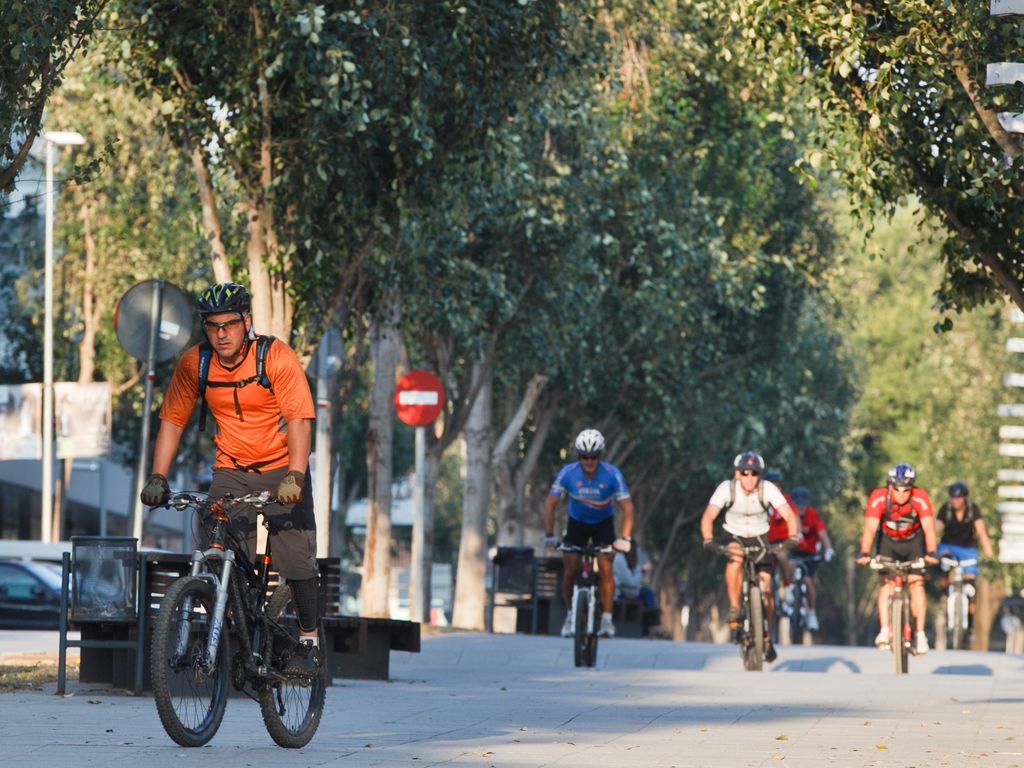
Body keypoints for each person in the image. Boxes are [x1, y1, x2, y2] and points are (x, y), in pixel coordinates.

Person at [139, 282, 320, 674]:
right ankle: (231, 616)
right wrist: (158, 476)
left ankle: (309, 641)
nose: (221, 334)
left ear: (246, 323)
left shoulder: (275, 358)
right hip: (231, 470)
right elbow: (172, 421)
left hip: (282, 469)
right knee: (214, 540)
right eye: (212, 325)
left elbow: (299, 420)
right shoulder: (195, 363)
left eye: (230, 325)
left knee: (296, 559)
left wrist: (296, 474)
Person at [700, 452, 798, 663]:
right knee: (734, 557)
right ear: (737, 473)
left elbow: (789, 514)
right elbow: (709, 514)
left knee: (767, 586)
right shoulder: (727, 488)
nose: (749, 478)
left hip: (760, 538)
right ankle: (735, 607)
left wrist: (792, 536)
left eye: (754, 473)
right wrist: (708, 538)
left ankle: (766, 636)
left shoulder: (767, 489)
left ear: (760, 475)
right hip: (735, 535)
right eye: (745, 472)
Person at [543, 428, 634, 639]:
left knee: (605, 569)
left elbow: (628, 508)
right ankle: (570, 615)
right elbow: (550, 504)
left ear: (600, 456)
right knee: (570, 571)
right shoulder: (568, 473)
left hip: (603, 524)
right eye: (585, 457)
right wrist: (549, 535)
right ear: (579, 456)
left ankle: (607, 620)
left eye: (594, 457)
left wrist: (626, 538)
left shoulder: (612, 475)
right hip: (577, 524)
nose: (589, 461)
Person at [856, 462, 938, 654]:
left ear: (912, 488)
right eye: (897, 490)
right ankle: (885, 630)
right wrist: (865, 553)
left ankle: (919, 634)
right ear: (889, 486)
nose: (901, 495)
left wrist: (932, 552)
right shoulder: (878, 498)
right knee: (887, 583)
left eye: (906, 490)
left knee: (916, 583)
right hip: (888, 542)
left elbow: (929, 528)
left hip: (914, 543)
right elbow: (870, 528)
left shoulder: (921, 498)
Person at [936, 482, 995, 633]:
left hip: (968, 549)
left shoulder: (973, 510)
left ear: (964, 498)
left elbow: (981, 532)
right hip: (948, 546)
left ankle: (970, 624)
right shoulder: (946, 509)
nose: (955, 501)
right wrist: (930, 549)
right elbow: (936, 529)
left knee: (970, 585)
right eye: (953, 498)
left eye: (958, 498)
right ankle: (944, 595)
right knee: (944, 564)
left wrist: (989, 554)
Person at [784, 486, 834, 632]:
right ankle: (788, 590)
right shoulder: (788, 514)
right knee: (788, 563)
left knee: (808, 581)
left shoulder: (813, 515)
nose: (800, 508)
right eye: (797, 505)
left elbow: (822, 534)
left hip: (809, 554)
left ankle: (811, 613)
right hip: (794, 551)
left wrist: (829, 549)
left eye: (803, 505)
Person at [613, 543, 656, 609]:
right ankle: (650, 616)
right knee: (648, 593)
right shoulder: (619, 559)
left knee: (647, 592)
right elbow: (631, 583)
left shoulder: (625, 559)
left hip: (625, 591)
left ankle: (648, 614)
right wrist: (643, 570)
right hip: (619, 594)